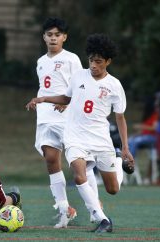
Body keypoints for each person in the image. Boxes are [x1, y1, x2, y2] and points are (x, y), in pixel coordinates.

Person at [26, 33, 135, 233]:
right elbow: (66, 99)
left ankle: (117, 160)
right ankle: (102, 219)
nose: (93, 65)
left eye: (99, 62)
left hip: (101, 139)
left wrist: (125, 147)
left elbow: (120, 117)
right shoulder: (78, 77)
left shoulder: (114, 85)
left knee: (112, 189)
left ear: (108, 61)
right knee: (78, 175)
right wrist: (43, 99)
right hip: (75, 137)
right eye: (91, 60)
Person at [30, 17, 98, 228]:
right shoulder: (41, 61)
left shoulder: (71, 59)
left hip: (67, 117)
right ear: (44, 37)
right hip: (45, 116)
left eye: (57, 35)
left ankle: (96, 209)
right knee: (51, 159)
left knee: (80, 163)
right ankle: (64, 209)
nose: (53, 38)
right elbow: (45, 88)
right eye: (49, 34)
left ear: (64, 37)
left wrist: (68, 105)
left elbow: (81, 85)